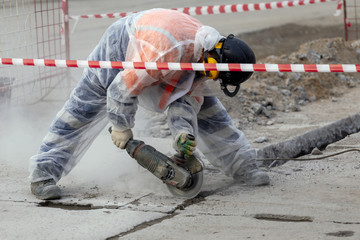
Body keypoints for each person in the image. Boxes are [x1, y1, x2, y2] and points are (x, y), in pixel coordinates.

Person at [29, 8, 270, 200]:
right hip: (122, 47)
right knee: (83, 109)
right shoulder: (166, 52)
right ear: (214, 55)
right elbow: (120, 88)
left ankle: (244, 166)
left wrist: (183, 135)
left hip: (168, 55)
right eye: (215, 74)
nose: (210, 78)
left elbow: (185, 100)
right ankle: (43, 174)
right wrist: (121, 126)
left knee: (209, 110)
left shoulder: (203, 54)